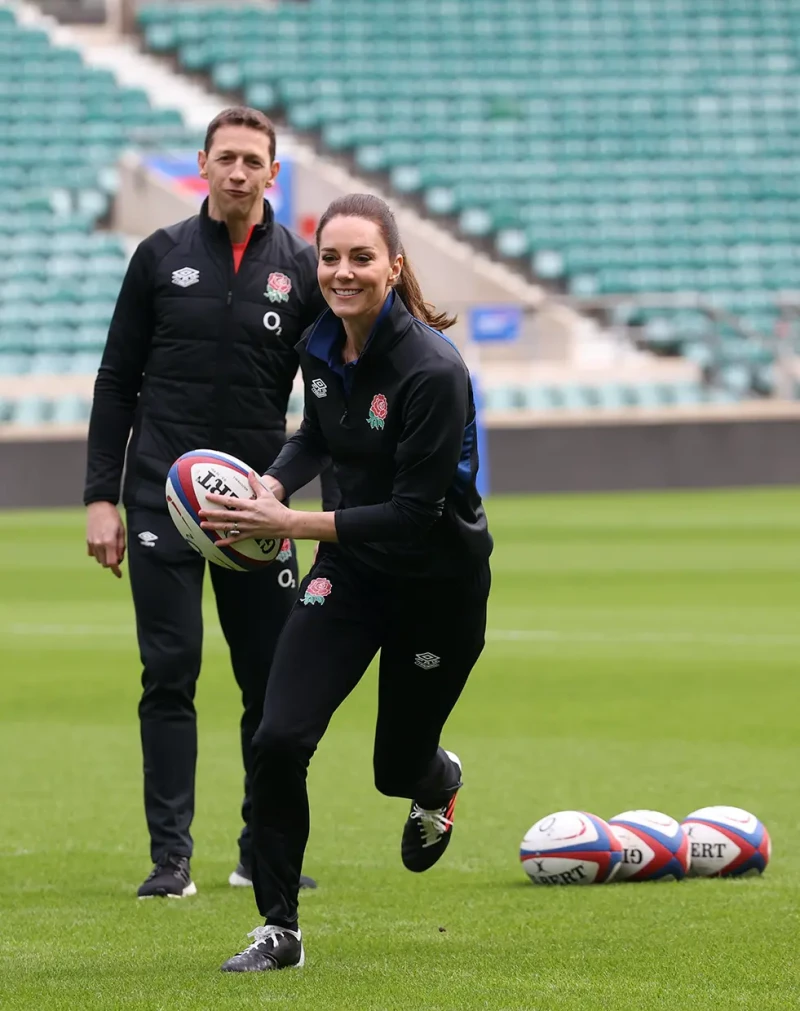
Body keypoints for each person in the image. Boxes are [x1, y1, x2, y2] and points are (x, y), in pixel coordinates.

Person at [198, 193, 494, 971]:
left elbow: (413, 515)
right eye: (331, 257)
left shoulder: (433, 370)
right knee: (278, 736)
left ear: (394, 266)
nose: (343, 271)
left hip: (437, 589)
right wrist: (271, 483)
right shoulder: (320, 341)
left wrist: (287, 526)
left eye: (361, 257)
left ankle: (440, 779)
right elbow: (318, 437)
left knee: (394, 769)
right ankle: (280, 926)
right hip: (351, 575)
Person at [84, 106, 329, 899]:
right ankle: (171, 859)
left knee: (271, 685)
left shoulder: (303, 267)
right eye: (224, 158)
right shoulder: (158, 258)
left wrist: (292, 493)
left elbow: (331, 401)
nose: (237, 172)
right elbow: (116, 381)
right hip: (161, 499)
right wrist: (100, 499)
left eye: (252, 160)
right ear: (202, 164)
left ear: (272, 173)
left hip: (260, 510)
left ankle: (261, 850)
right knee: (171, 670)